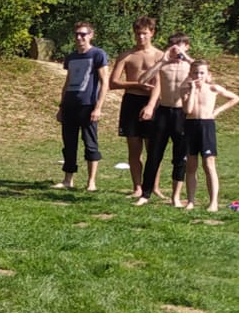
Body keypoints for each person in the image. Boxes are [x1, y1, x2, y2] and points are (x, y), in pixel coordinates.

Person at [135, 33, 194, 207]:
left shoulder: (190, 66)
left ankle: (176, 197)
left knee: (180, 157)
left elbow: (207, 76)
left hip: (182, 113)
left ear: (187, 46)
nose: (176, 49)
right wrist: (162, 61)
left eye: (180, 45)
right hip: (163, 112)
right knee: (154, 154)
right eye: (173, 45)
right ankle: (145, 194)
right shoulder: (164, 65)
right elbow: (142, 80)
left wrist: (186, 57)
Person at [108, 16, 161, 196]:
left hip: (152, 102)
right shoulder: (127, 55)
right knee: (134, 147)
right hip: (131, 101)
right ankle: (137, 187)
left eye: (144, 33)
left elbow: (161, 83)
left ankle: (153, 187)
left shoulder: (159, 56)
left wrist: (151, 104)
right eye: (138, 34)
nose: (141, 37)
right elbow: (113, 82)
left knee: (153, 148)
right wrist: (138, 85)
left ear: (152, 33)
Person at [56, 22, 109, 191]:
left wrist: (98, 107)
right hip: (70, 105)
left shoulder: (98, 54)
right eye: (77, 34)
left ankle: (91, 182)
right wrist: (61, 106)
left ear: (91, 35)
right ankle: (68, 179)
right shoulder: (71, 57)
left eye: (83, 34)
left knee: (90, 144)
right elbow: (67, 82)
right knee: (69, 144)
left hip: (88, 106)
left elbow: (105, 82)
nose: (79, 37)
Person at [179, 61, 237, 212]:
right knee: (191, 165)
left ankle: (213, 202)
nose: (198, 75)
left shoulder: (213, 88)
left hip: (206, 125)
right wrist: (192, 90)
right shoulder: (185, 90)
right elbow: (188, 110)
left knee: (209, 164)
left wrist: (217, 111)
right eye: (195, 72)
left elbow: (235, 98)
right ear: (190, 74)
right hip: (191, 125)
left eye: (202, 73)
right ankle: (191, 201)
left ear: (208, 75)